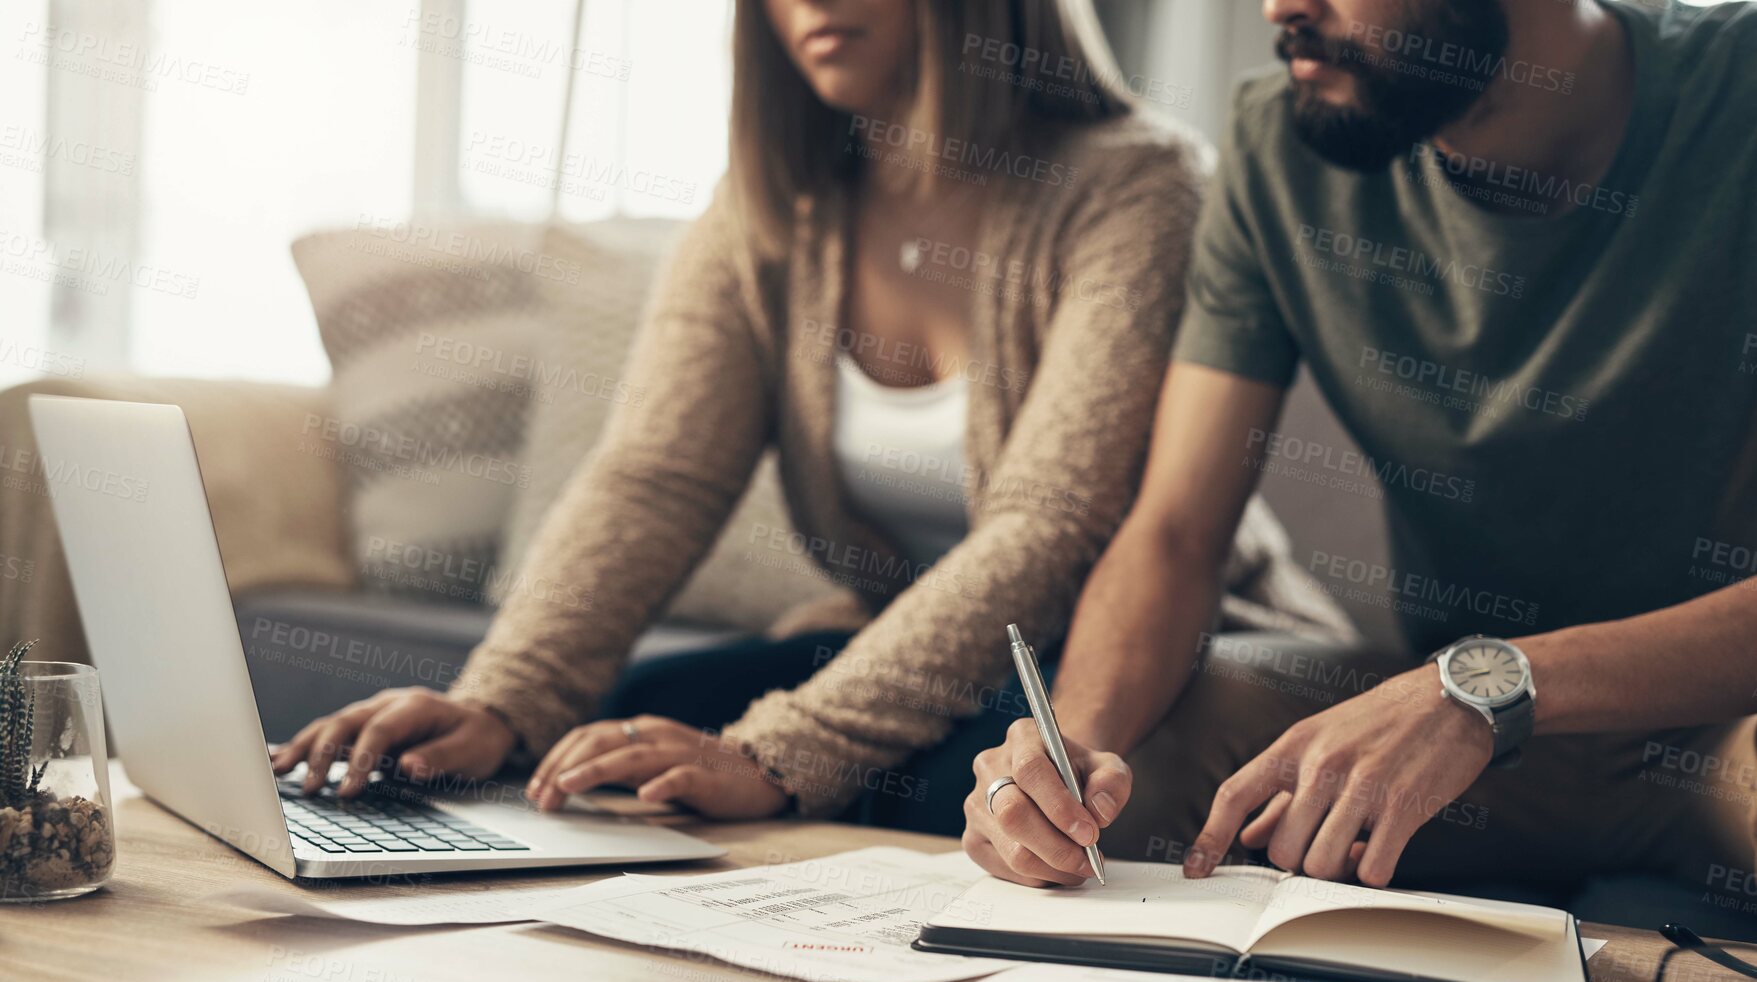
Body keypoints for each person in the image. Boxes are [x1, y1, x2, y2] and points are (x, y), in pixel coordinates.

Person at [271, 0, 1349, 832]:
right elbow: (655, 479)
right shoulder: (767, 205)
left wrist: (782, 756)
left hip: (1158, 662)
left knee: (940, 778)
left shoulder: (1137, 187)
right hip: (912, 649)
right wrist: (504, 701)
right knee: (611, 728)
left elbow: (1051, 525)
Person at [962, 0, 1757, 908]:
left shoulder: (1736, 90)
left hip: (1722, 727)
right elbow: (1176, 530)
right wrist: (1065, 760)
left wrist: (1481, 690)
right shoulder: (1276, 146)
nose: (1279, 9)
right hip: (1467, 739)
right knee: (1147, 752)